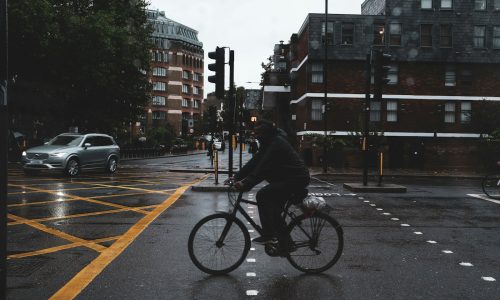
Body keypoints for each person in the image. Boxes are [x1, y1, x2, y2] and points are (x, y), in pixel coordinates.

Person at [225, 120, 310, 251]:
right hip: (287, 178)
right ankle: (285, 243)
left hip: (296, 178)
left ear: (265, 133)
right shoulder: (269, 142)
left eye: (258, 133)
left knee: (263, 195)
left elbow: (261, 168)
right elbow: (255, 161)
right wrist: (237, 177)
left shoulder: (276, 144)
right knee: (274, 210)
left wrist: (245, 182)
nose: (255, 136)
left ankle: (270, 236)